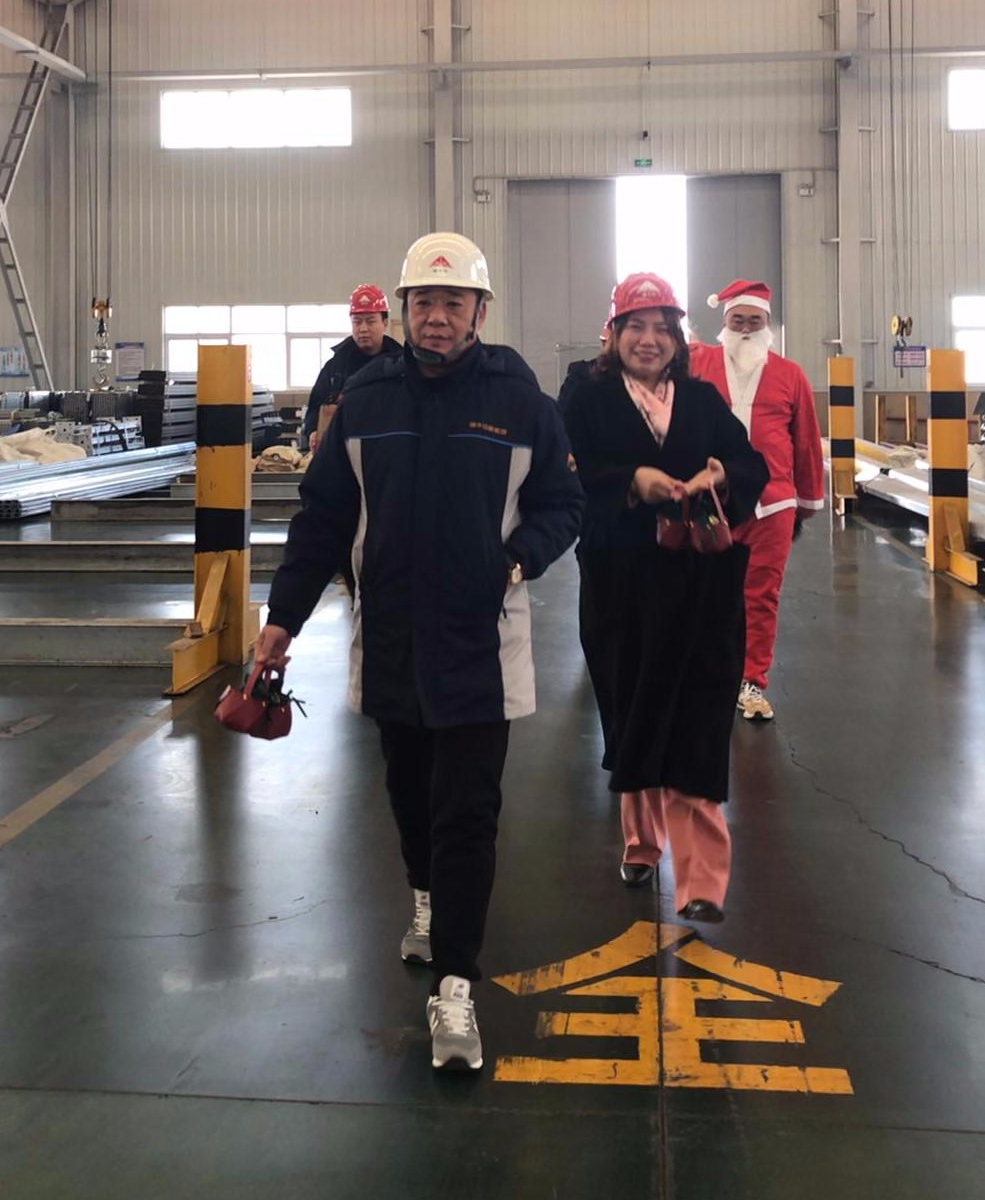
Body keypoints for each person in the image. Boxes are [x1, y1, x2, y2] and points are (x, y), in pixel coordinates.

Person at [255, 232, 583, 1071]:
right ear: (403, 311)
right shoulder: (365, 400)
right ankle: (427, 898)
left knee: (468, 811)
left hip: (483, 641)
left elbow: (561, 502)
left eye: (452, 302)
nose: (436, 317)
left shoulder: (518, 399)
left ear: (479, 311)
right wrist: (282, 619)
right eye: (423, 302)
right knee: (408, 792)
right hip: (391, 637)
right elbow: (322, 519)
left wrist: (516, 560)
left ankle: (456, 986)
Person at [562, 273, 767, 921]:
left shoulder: (702, 400)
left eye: (661, 329)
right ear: (614, 334)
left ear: (678, 340)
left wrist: (722, 476)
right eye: (635, 327)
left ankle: (702, 881)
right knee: (633, 710)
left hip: (699, 585)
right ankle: (642, 843)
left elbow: (751, 465)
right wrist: (632, 483)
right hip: (619, 583)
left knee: (699, 718)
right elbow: (568, 479)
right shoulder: (585, 400)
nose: (648, 340)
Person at [690, 281, 824, 722]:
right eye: (738, 320)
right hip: (711, 502)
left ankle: (751, 680)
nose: (746, 328)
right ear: (724, 322)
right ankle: (708, 674)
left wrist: (806, 500)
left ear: (768, 324)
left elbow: (805, 442)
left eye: (755, 321)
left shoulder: (790, 375)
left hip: (772, 505)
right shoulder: (698, 364)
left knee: (761, 596)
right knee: (704, 590)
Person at [303, 284, 401, 452]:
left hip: (390, 450)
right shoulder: (335, 367)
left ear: (384, 323)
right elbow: (315, 405)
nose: (363, 329)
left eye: (370, 321)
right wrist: (313, 430)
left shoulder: (401, 365)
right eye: (357, 322)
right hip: (343, 451)